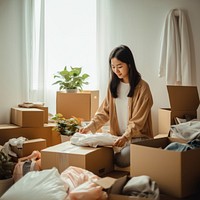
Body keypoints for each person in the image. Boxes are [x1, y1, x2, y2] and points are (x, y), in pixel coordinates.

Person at [79, 45, 153, 168]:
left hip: (137, 138)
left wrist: (125, 137)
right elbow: (104, 112)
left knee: (121, 160)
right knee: (96, 153)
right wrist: (90, 126)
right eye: (113, 67)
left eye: (119, 66)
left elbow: (138, 122)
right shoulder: (113, 85)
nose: (116, 70)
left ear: (129, 64)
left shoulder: (143, 88)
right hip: (117, 138)